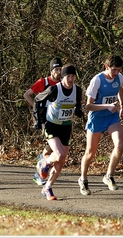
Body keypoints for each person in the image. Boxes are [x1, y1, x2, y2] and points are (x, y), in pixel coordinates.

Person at [78, 54, 123, 195]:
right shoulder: (97, 80)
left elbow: (119, 89)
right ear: (106, 67)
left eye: (119, 70)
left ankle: (109, 176)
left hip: (112, 117)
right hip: (97, 118)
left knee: (120, 145)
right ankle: (83, 179)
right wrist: (107, 106)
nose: (116, 73)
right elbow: (88, 106)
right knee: (90, 153)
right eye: (114, 70)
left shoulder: (119, 78)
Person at [36, 64, 83, 200]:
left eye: (73, 76)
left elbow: (77, 104)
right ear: (62, 77)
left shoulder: (77, 90)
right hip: (52, 126)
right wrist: (37, 120)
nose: (70, 79)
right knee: (60, 154)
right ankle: (45, 162)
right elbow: (38, 100)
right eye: (68, 76)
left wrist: (78, 110)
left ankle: (48, 187)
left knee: (61, 161)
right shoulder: (53, 89)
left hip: (66, 126)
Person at [23, 57, 63, 186]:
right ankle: (39, 171)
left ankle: (42, 160)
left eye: (60, 69)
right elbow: (27, 94)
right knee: (54, 145)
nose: (58, 72)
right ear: (51, 71)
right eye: (56, 69)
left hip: (58, 119)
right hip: (45, 119)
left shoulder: (63, 83)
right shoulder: (43, 82)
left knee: (56, 145)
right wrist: (36, 108)